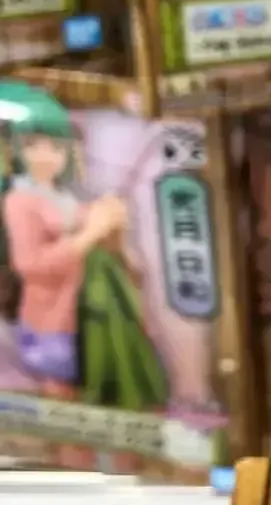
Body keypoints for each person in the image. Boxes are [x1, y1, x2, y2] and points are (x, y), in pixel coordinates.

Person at [0, 82, 167, 410]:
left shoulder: (66, 199)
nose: (45, 156)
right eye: (33, 146)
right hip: (52, 324)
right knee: (64, 402)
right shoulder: (19, 200)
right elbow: (30, 264)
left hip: (93, 319)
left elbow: (130, 267)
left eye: (55, 147)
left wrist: (114, 230)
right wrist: (90, 233)